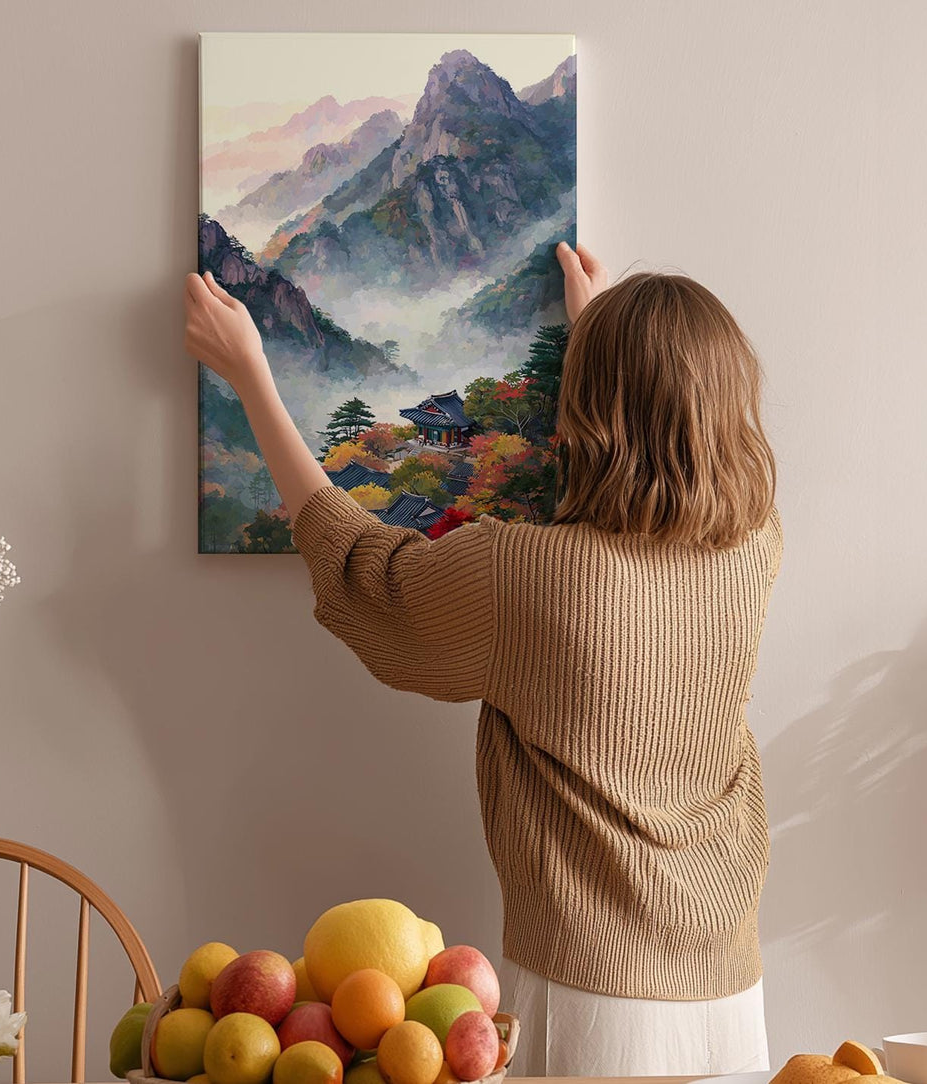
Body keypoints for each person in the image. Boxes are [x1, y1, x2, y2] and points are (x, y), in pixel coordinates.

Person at [183, 242, 782, 1076]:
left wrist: (251, 375)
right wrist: (603, 339)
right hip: (730, 989)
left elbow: (364, 570)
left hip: (590, 997)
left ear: (588, 411)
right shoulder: (754, 546)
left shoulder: (525, 573)